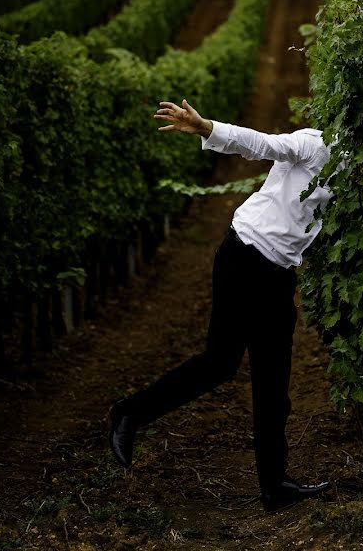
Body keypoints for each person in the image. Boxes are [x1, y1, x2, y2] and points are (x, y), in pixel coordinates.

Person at [108, 99, 332, 511]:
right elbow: (260, 143)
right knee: (220, 362)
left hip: (280, 274)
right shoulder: (314, 145)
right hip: (244, 256)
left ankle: (274, 485)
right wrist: (206, 126)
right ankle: (129, 413)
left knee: (274, 380)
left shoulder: (361, 172)